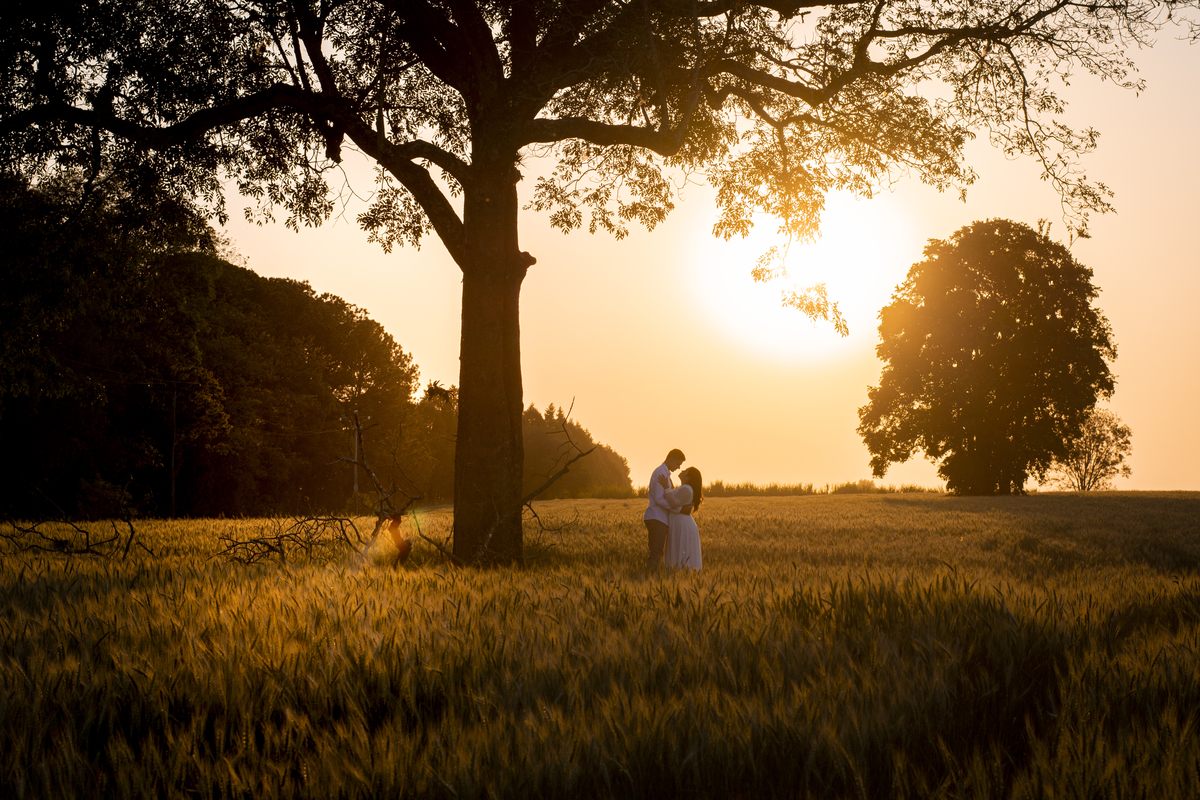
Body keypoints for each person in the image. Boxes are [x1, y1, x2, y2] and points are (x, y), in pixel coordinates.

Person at [643, 448, 684, 568]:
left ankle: (651, 577)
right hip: (657, 517)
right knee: (656, 552)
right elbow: (658, 499)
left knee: (657, 552)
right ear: (671, 459)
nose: (678, 467)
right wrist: (675, 507)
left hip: (659, 518)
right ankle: (649, 577)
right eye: (678, 463)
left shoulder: (664, 473)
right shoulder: (661, 473)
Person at [659, 466, 703, 570]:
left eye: (685, 471)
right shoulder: (685, 488)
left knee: (679, 550)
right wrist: (670, 488)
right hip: (681, 523)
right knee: (681, 551)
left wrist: (666, 487)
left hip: (682, 525)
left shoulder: (686, 488)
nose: (682, 470)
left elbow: (673, 503)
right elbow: (676, 501)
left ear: (688, 477)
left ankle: (679, 574)